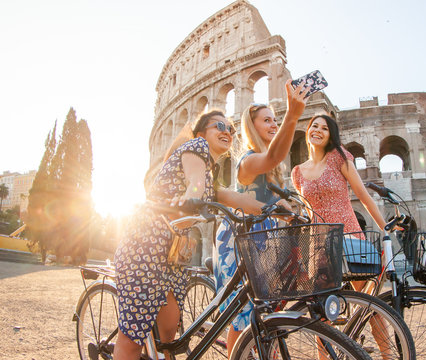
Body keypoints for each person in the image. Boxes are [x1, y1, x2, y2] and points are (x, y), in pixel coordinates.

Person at [113, 110, 266, 360]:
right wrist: (192, 195)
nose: (227, 131)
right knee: (133, 336)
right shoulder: (195, 147)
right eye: (219, 126)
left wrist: (277, 210)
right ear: (200, 133)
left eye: (231, 129)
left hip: (174, 252)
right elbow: (195, 181)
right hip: (145, 243)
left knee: (170, 335)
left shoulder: (210, 173)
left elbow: (235, 198)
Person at [213, 79, 309, 358]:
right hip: (240, 240)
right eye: (266, 120)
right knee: (242, 315)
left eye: (276, 120)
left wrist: (290, 210)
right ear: (251, 126)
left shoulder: (271, 172)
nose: (273, 124)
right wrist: (293, 116)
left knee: (267, 311)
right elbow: (272, 157)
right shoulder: (248, 160)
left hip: (265, 239)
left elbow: (273, 199)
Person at [291, 114, 392, 357]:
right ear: (308, 131)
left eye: (324, 128)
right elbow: (308, 211)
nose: (318, 130)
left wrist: (385, 228)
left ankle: (389, 355)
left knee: (370, 303)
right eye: (314, 126)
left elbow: (364, 196)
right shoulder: (297, 172)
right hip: (319, 243)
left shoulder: (339, 156)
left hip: (350, 235)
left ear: (330, 135)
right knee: (322, 310)